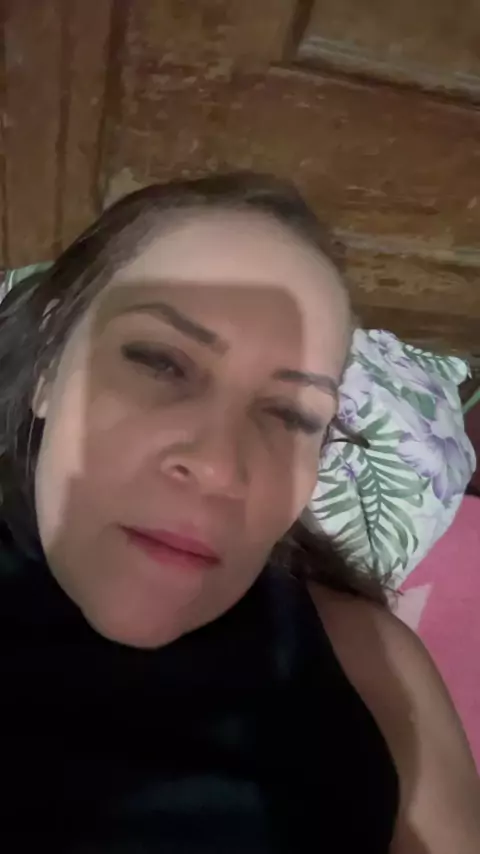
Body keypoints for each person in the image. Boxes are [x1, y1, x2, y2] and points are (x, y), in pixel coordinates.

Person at [0, 172, 478, 853]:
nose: (221, 467)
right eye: (161, 362)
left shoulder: (370, 664)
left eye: (291, 413)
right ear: (50, 360)